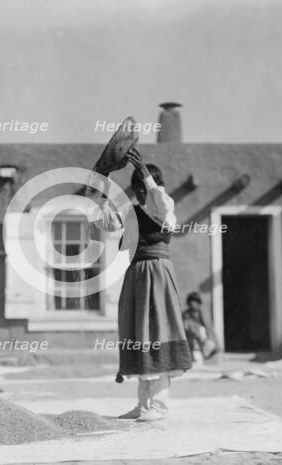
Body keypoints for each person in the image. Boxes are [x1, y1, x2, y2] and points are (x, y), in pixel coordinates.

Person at [95, 147, 192, 422]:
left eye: (144, 187)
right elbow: (107, 222)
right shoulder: (131, 212)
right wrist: (102, 187)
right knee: (140, 336)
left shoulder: (164, 211)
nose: (140, 192)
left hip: (157, 275)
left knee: (158, 333)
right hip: (136, 275)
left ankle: (159, 406)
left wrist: (147, 176)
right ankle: (143, 405)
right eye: (136, 187)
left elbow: (161, 202)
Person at [182, 292, 217, 366]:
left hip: (203, 341)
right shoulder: (185, 315)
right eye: (191, 301)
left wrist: (206, 339)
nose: (193, 304)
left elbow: (209, 329)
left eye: (195, 301)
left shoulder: (202, 314)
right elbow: (185, 328)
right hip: (191, 342)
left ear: (198, 303)